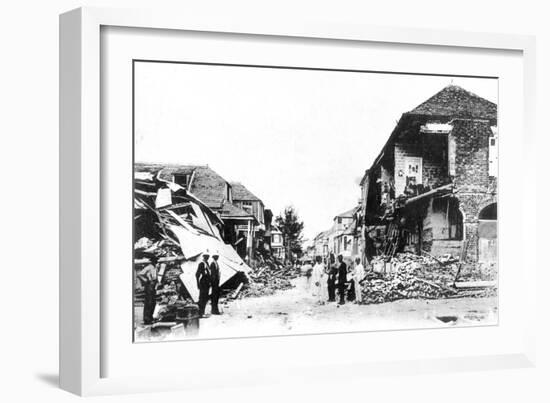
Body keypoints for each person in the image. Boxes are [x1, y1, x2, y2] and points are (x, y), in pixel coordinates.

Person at [137, 255, 158, 325]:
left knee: (153, 302)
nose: (156, 261)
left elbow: (156, 277)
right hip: (149, 285)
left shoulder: (155, 268)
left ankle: (150, 317)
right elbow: (139, 274)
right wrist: (145, 280)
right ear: (152, 261)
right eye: (155, 260)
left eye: (156, 260)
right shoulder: (149, 267)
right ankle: (146, 319)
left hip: (153, 285)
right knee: (148, 302)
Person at [195, 251, 212, 317]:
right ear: (203, 257)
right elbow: (197, 274)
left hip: (207, 282)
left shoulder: (207, 263)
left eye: (208, 257)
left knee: (205, 298)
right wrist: (198, 283)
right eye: (206, 256)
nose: (207, 258)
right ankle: (200, 313)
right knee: (202, 298)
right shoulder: (201, 264)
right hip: (203, 282)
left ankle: (203, 312)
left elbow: (209, 273)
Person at [209, 250, 222, 315]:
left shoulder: (216, 263)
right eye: (216, 256)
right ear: (214, 257)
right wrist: (214, 283)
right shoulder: (212, 264)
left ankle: (215, 310)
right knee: (214, 296)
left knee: (216, 296)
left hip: (216, 282)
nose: (217, 257)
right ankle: (214, 310)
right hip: (214, 283)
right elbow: (213, 274)